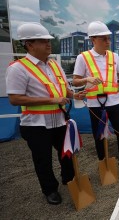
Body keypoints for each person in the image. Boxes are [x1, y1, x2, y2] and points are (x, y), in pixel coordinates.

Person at [6, 22, 86, 205]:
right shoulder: (18, 68)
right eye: (43, 41)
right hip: (35, 124)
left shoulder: (54, 65)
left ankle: (69, 179)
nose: (48, 44)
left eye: (48, 40)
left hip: (59, 120)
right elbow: (15, 99)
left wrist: (74, 95)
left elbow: (64, 90)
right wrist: (51, 101)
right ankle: (50, 189)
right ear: (29, 44)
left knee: (66, 153)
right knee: (43, 159)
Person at [72, 21, 119, 168]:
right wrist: (87, 79)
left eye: (108, 38)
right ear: (93, 39)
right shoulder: (83, 57)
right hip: (95, 104)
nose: (108, 41)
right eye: (103, 39)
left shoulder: (114, 56)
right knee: (99, 134)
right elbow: (75, 81)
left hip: (115, 101)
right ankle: (103, 161)